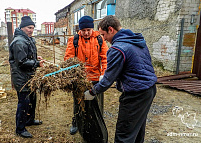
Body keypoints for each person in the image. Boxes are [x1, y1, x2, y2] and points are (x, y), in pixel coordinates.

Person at [84, 15, 157, 143]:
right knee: (137, 129)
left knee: (124, 134)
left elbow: (107, 81)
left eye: (103, 34)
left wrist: (92, 92)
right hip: (149, 90)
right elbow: (137, 66)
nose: (104, 39)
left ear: (111, 29)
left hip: (135, 95)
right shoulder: (136, 40)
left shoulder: (117, 48)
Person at [64, 15, 108, 135]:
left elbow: (105, 58)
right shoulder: (74, 40)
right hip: (80, 78)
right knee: (78, 101)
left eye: (88, 30)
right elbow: (69, 59)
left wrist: (104, 74)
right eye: (83, 30)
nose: (86, 33)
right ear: (80, 29)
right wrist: (73, 74)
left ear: (92, 29)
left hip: (95, 77)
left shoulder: (99, 39)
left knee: (97, 101)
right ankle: (76, 122)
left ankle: (96, 121)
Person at [9, 16, 45, 138]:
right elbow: (22, 62)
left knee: (32, 99)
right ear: (22, 27)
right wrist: (37, 63)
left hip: (30, 76)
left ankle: (29, 120)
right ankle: (20, 129)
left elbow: (28, 55)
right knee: (24, 102)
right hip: (21, 78)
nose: (31, 30)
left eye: (33, 28)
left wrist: (36, 58)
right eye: (29, 28)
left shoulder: (27, 39)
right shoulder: (19, 41)